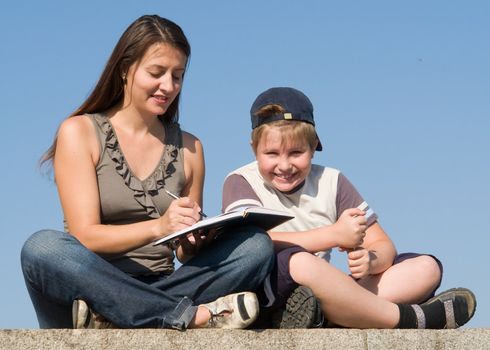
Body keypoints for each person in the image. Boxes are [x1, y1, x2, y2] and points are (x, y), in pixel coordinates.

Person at [20, 15, 274, 330]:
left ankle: (117, 316)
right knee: (41, 248)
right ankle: (186, 315)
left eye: (177, 76)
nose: (168, 86)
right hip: (87, 282)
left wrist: (193, 239)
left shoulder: (190, 149)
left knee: (256, 245)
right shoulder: (80, 132)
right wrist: (159, 227)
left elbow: (184, 254)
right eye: (156, 73)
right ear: (125, 69)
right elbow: (85, 236)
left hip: (163, 282)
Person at [221, 86, 476, 329]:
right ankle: (404, 318)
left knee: (426, 267)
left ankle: (331, 315)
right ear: (254, 150)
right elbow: (251, 244)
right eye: (272, 153)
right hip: (273, 287)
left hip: (328, 290)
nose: (285, 165)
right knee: (301, 262)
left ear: (313, 149)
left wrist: (371, 261)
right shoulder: (241, 181)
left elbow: (384, 246)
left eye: (296, 152)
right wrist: (333, 235)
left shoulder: (331, 181)